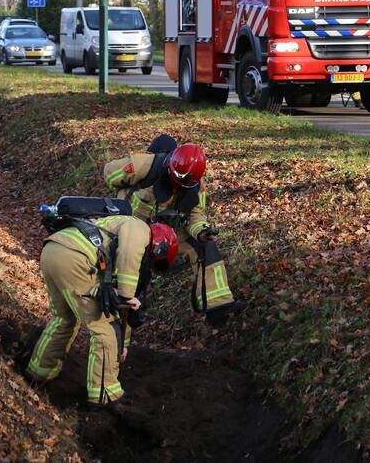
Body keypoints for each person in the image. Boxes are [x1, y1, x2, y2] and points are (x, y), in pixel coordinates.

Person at [26, 214, 178, 407]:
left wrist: (123, 344)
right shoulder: (140, 229)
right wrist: (127, 295)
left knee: (65, 318)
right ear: (159, 246)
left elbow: (121, 310)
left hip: (53, 251)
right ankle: (105, 394)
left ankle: (39, 371)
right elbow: (128, 261)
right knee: (104, 327)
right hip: (76, 259)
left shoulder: (115, 234)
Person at [102, 134, 244, 326]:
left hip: (168, 235)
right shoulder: (143, 165)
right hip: (134, 231)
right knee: (131, 272)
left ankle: (217, 305)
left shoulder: (196, 185)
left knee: (203, 246)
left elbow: (195, 214)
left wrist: (202, 231)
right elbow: (109, 172)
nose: (178, 188)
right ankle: (127, 311)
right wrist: (122, 197)